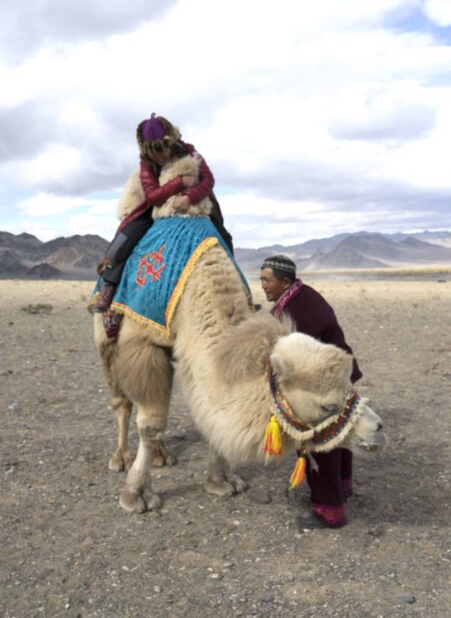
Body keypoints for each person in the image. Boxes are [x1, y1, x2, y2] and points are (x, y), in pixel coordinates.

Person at [91, 113, 233, 313]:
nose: (159, 157)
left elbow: (208, 180)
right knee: (124, 241)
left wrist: (189, 197)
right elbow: (152, 197)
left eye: (162, 150)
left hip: (196, 202)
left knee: (224, 238)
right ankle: (109, 288)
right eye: (153, 153)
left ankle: (238, 295)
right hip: (156, 209)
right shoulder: (146, 164)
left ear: (170, 142)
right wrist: (179, 183)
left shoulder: (190, 152)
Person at [260, 254, 362, 529]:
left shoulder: (299, 309)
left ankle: (329, 511)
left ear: (284, 281)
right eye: (260, 280)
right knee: (340, 438)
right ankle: (342, 489)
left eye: (267, 280)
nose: (263, 286)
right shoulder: (298, 298)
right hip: (337, 376)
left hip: (324, 384)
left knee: (322, 443)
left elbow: (293, 352)